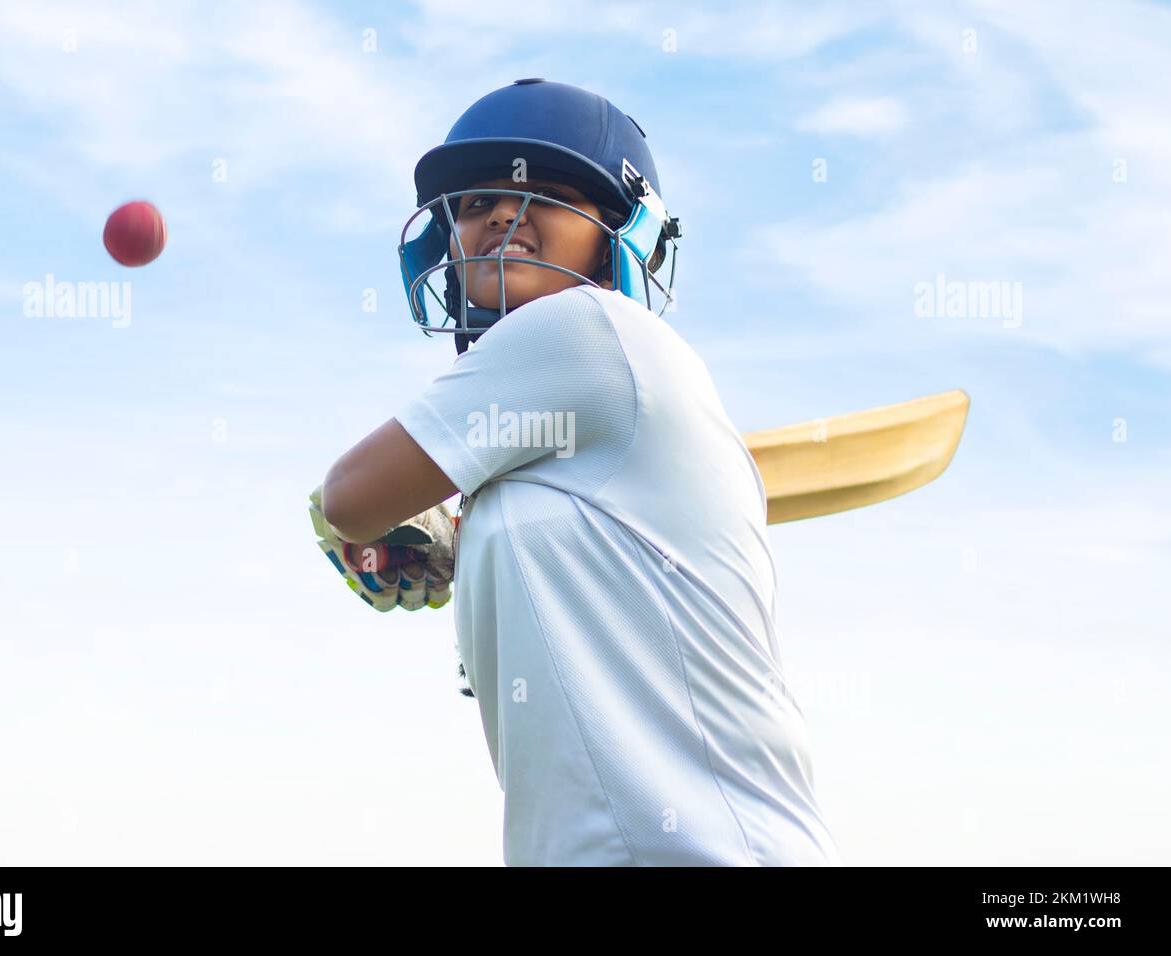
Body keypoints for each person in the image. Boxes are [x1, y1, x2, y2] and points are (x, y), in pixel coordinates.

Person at [318, 79, 842, 866]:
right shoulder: (541, 444)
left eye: (547, 194)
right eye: (473, 204)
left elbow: (352, 496)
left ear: (619, 237)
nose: (499, 214)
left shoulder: (588, 329)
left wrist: (359, 516)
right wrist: (451, 541)